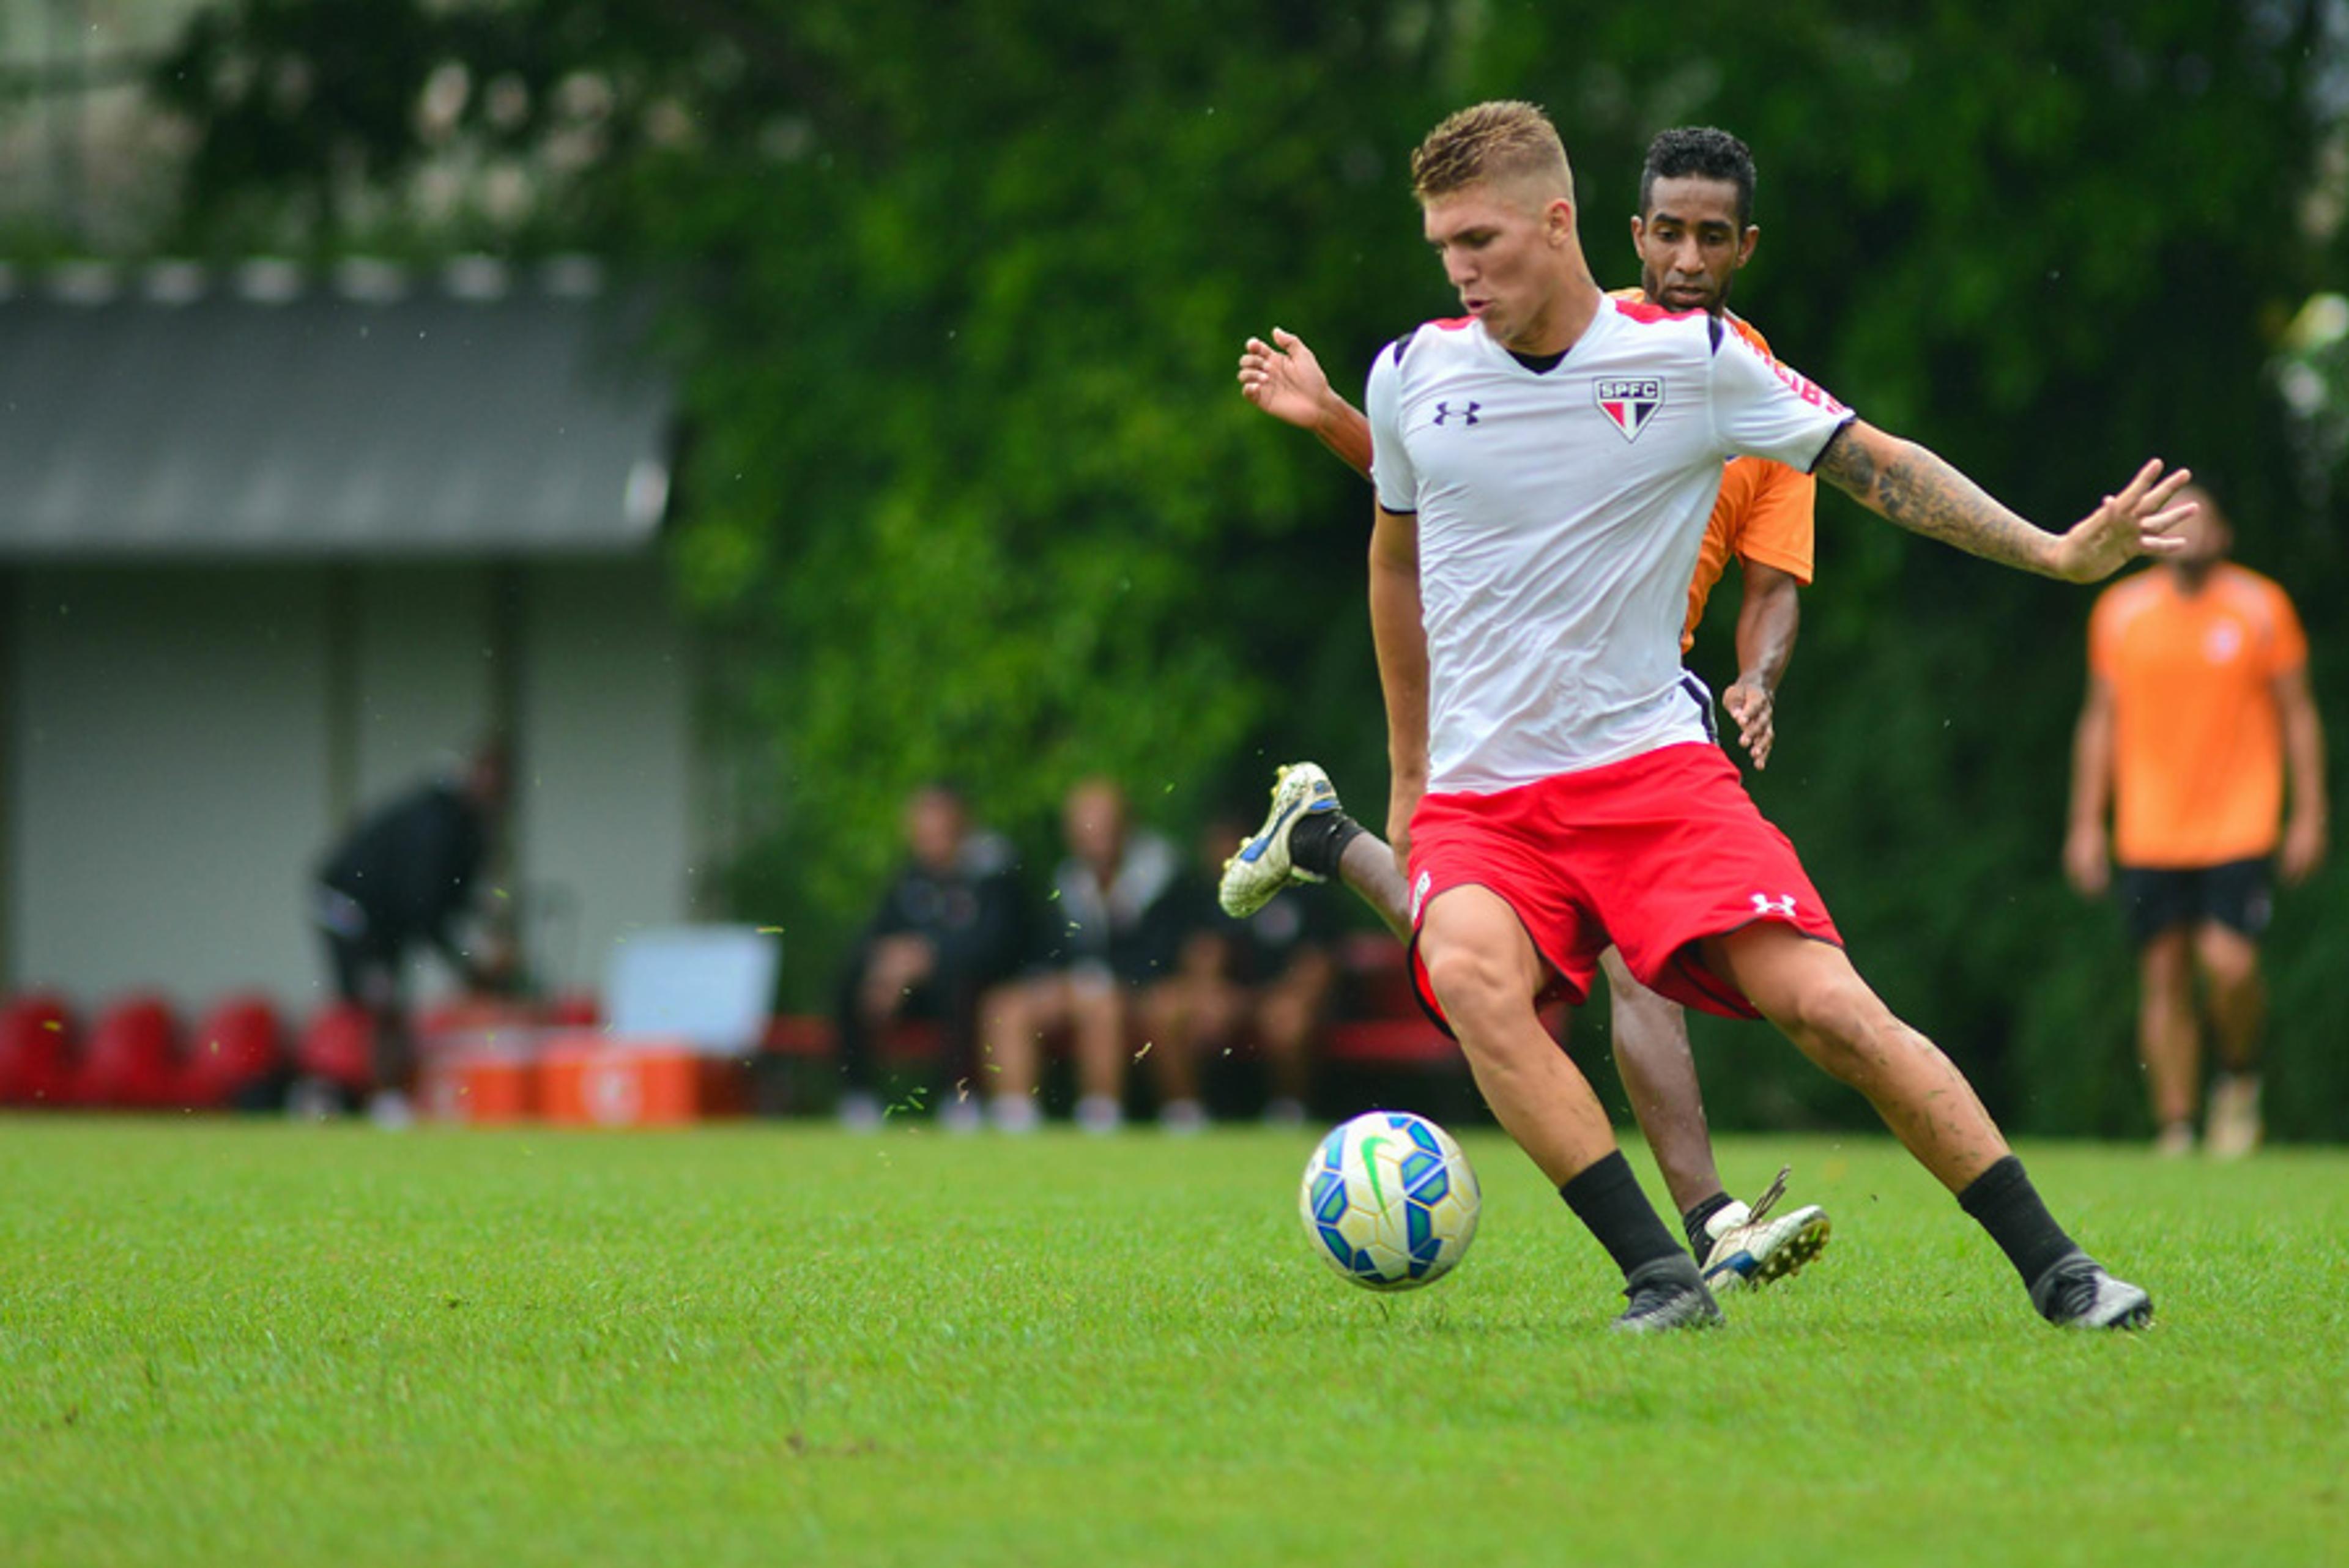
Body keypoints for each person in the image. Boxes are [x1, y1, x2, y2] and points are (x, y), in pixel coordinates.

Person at [1294, 100, 2188, 1331]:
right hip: (1488, 802)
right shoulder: (1411, 377)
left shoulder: (1693, 365)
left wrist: (2054, 552)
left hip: (1657, 780)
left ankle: (2063, 1270)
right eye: (1444, 245)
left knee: (1830, 1008)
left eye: (1483, 241)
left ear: (1559, 225)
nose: (1460, 270)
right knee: (1468, 976)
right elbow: (1396, 565)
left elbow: (1882, 464)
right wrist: (1408, 774)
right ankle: (1663, 1276)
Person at [1225, 126, 1828, 1293]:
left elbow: (1776, 579)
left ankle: (1320, 836)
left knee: (1616, 955)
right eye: (1669, 229)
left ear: (1745, 248)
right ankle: (1702, 1220)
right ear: (1625, 231)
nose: (1688, 255)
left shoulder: (1735, 369)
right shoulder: (1527, 331)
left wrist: (1760, 679)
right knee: (1532, 948)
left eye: (1714, 235)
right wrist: (1338, 417)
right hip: (1511, 686)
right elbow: (1435, 494)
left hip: (1645, 702)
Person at [2064, 484, 2326, 1157]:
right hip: (2149, 824)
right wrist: (2087, 822)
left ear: (2224, 534)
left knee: (2230, 964)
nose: (2191, 531)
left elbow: (2298, 712)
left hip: (2240, 819)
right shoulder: (2121, 612)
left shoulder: (2261, 606)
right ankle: (2178, 1128)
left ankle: (2238, 1080)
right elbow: (2100, 718)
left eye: (2202, 519)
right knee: (2164, 974)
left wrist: (2309, 813)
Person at [309, 741, 515, 1125]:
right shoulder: (434, 822)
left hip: (388, 915)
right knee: (373, 1000)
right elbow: (424, 905)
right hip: (352, 904)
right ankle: (337, 1093)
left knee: (386, 1001)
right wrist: (465, 962)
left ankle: (372, 1095)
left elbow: (446, 902)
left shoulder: (469, 831)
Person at [981, 777, 1178, 1133]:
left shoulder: (1161, 879)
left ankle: (1101, 1117)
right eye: (1084, 826)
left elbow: (1162, 960)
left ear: (1126, 827)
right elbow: (1047, 952)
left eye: (1104, 824)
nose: (1094, 835)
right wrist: (1054, 983)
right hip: (1077, 990)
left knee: (1103, 1006)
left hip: (1139, 994)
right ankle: (1016, 1117)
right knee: (1006, 1007)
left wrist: (1094, 982)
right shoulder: (1067, 880)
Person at [831, 783, 1030, 1131]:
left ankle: (961, 1098)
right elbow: (875, 938)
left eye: (940, 829)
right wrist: (886, 970)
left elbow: (997, 946)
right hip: (910, 996)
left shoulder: (992, 876)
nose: (930, 839)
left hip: (972, 992)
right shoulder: (909, 879)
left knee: (960, 985)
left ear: (962, 826)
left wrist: (928, 958)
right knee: (850, 980)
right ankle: (858, 1097)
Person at [1137, 813, 1338, 1130]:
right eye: (1218, 844)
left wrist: (1260, 1001)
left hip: (1278, 997)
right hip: (1222, 998)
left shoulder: (1300, 888)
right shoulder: (1195, 895)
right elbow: (1190, 962)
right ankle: (1184, 1114)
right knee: (1163, 1009)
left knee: (1287, 1018)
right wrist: (1206, 991)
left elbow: (1315, 969)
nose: (1226, 853)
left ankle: (1289, 1111)